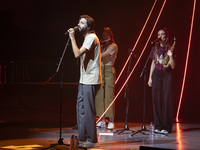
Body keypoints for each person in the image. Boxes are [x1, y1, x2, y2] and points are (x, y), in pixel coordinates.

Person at [68, 15, 102, 148]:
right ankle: (82, 138)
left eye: (82, 23)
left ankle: (93, 140)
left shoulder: (92, 38)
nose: (78, 25)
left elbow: (77, 54)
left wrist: (72, 38)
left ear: (88, 26)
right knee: (81, 109)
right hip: (84, 79)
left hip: (90, 80)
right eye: (78, 22)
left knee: (88, 110)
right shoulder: (87, 38)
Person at [148, 28, 176, 134]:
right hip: (156, 75)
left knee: (166, 100)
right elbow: (153, 63)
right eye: (158, 34)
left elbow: (173, 66)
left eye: (162, 34)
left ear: (166, 36)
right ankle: (158, 126)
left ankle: (166, 127)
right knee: (157, 100)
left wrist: (171, 56)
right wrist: (150, 78)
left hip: (167, 75)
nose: (160, 36)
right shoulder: (155, 48)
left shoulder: (171, 48)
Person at [95, 27, 118, 129]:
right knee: (100, 95)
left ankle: (111, 120)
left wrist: (96, 49)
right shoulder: (102, 46)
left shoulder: (113, 46)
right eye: (103, 35)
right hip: (101, 70)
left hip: (109, 71)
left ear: (110, 36)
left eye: (106, 35)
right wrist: (98, 46)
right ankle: (101, 118)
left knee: (109, 95)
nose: (105, 37)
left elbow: (102, 55)